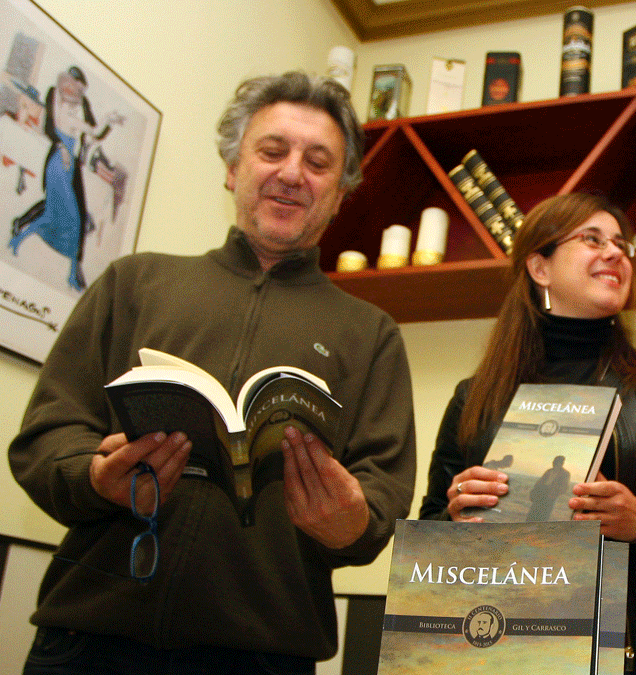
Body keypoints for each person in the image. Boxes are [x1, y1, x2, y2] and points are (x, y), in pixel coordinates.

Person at [9, 71, 417, 674]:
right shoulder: (135, 282)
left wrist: (351, 522)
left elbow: (379, 498)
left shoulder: (373, 334)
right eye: (272, 151)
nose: (291, 173)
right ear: (232, 167)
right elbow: (46, 437)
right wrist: (96, 477)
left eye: (318, 162)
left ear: (340, 192)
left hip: (263, 656)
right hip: (87, 642)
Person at [420, 192, 636, 675]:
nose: (614, 252)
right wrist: (457, 520)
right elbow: (427, 541)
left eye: (620, 244)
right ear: (539, 268)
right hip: (499, 646)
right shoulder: (475, 396)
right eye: (591, 239)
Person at [11, 66, 123, 290]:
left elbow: (94, 131)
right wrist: (61, 146)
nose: (74, 88)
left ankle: (73, 268)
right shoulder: (56, 95)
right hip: (59, 158)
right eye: (72, 84)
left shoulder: (83, 103)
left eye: (79, 86)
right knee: (61, 210)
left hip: (74, 165)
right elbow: (50, 126)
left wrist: (107, 121)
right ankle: (23, 228)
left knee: (73, 213)